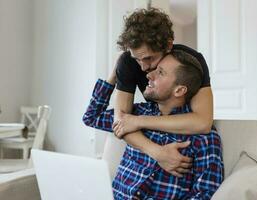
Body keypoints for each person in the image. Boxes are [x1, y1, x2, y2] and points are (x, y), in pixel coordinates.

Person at [83, 50, 223, 199]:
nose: (149, 75)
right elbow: (92, 116)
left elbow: (204, 194)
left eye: (160, 72)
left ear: (179, 90)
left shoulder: (204, 138)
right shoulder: (136, 114)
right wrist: (116, 72)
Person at [113, 8, 214, 177]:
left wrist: (139, 121)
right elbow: (121, 123)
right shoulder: (127, 62)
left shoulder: (190, 62)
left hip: (185, 139)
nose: (144, 68)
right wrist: (158, 153)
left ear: (168, 45)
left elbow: (202, 122)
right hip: (155, 142)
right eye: (136, 59)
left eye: (149, 58)